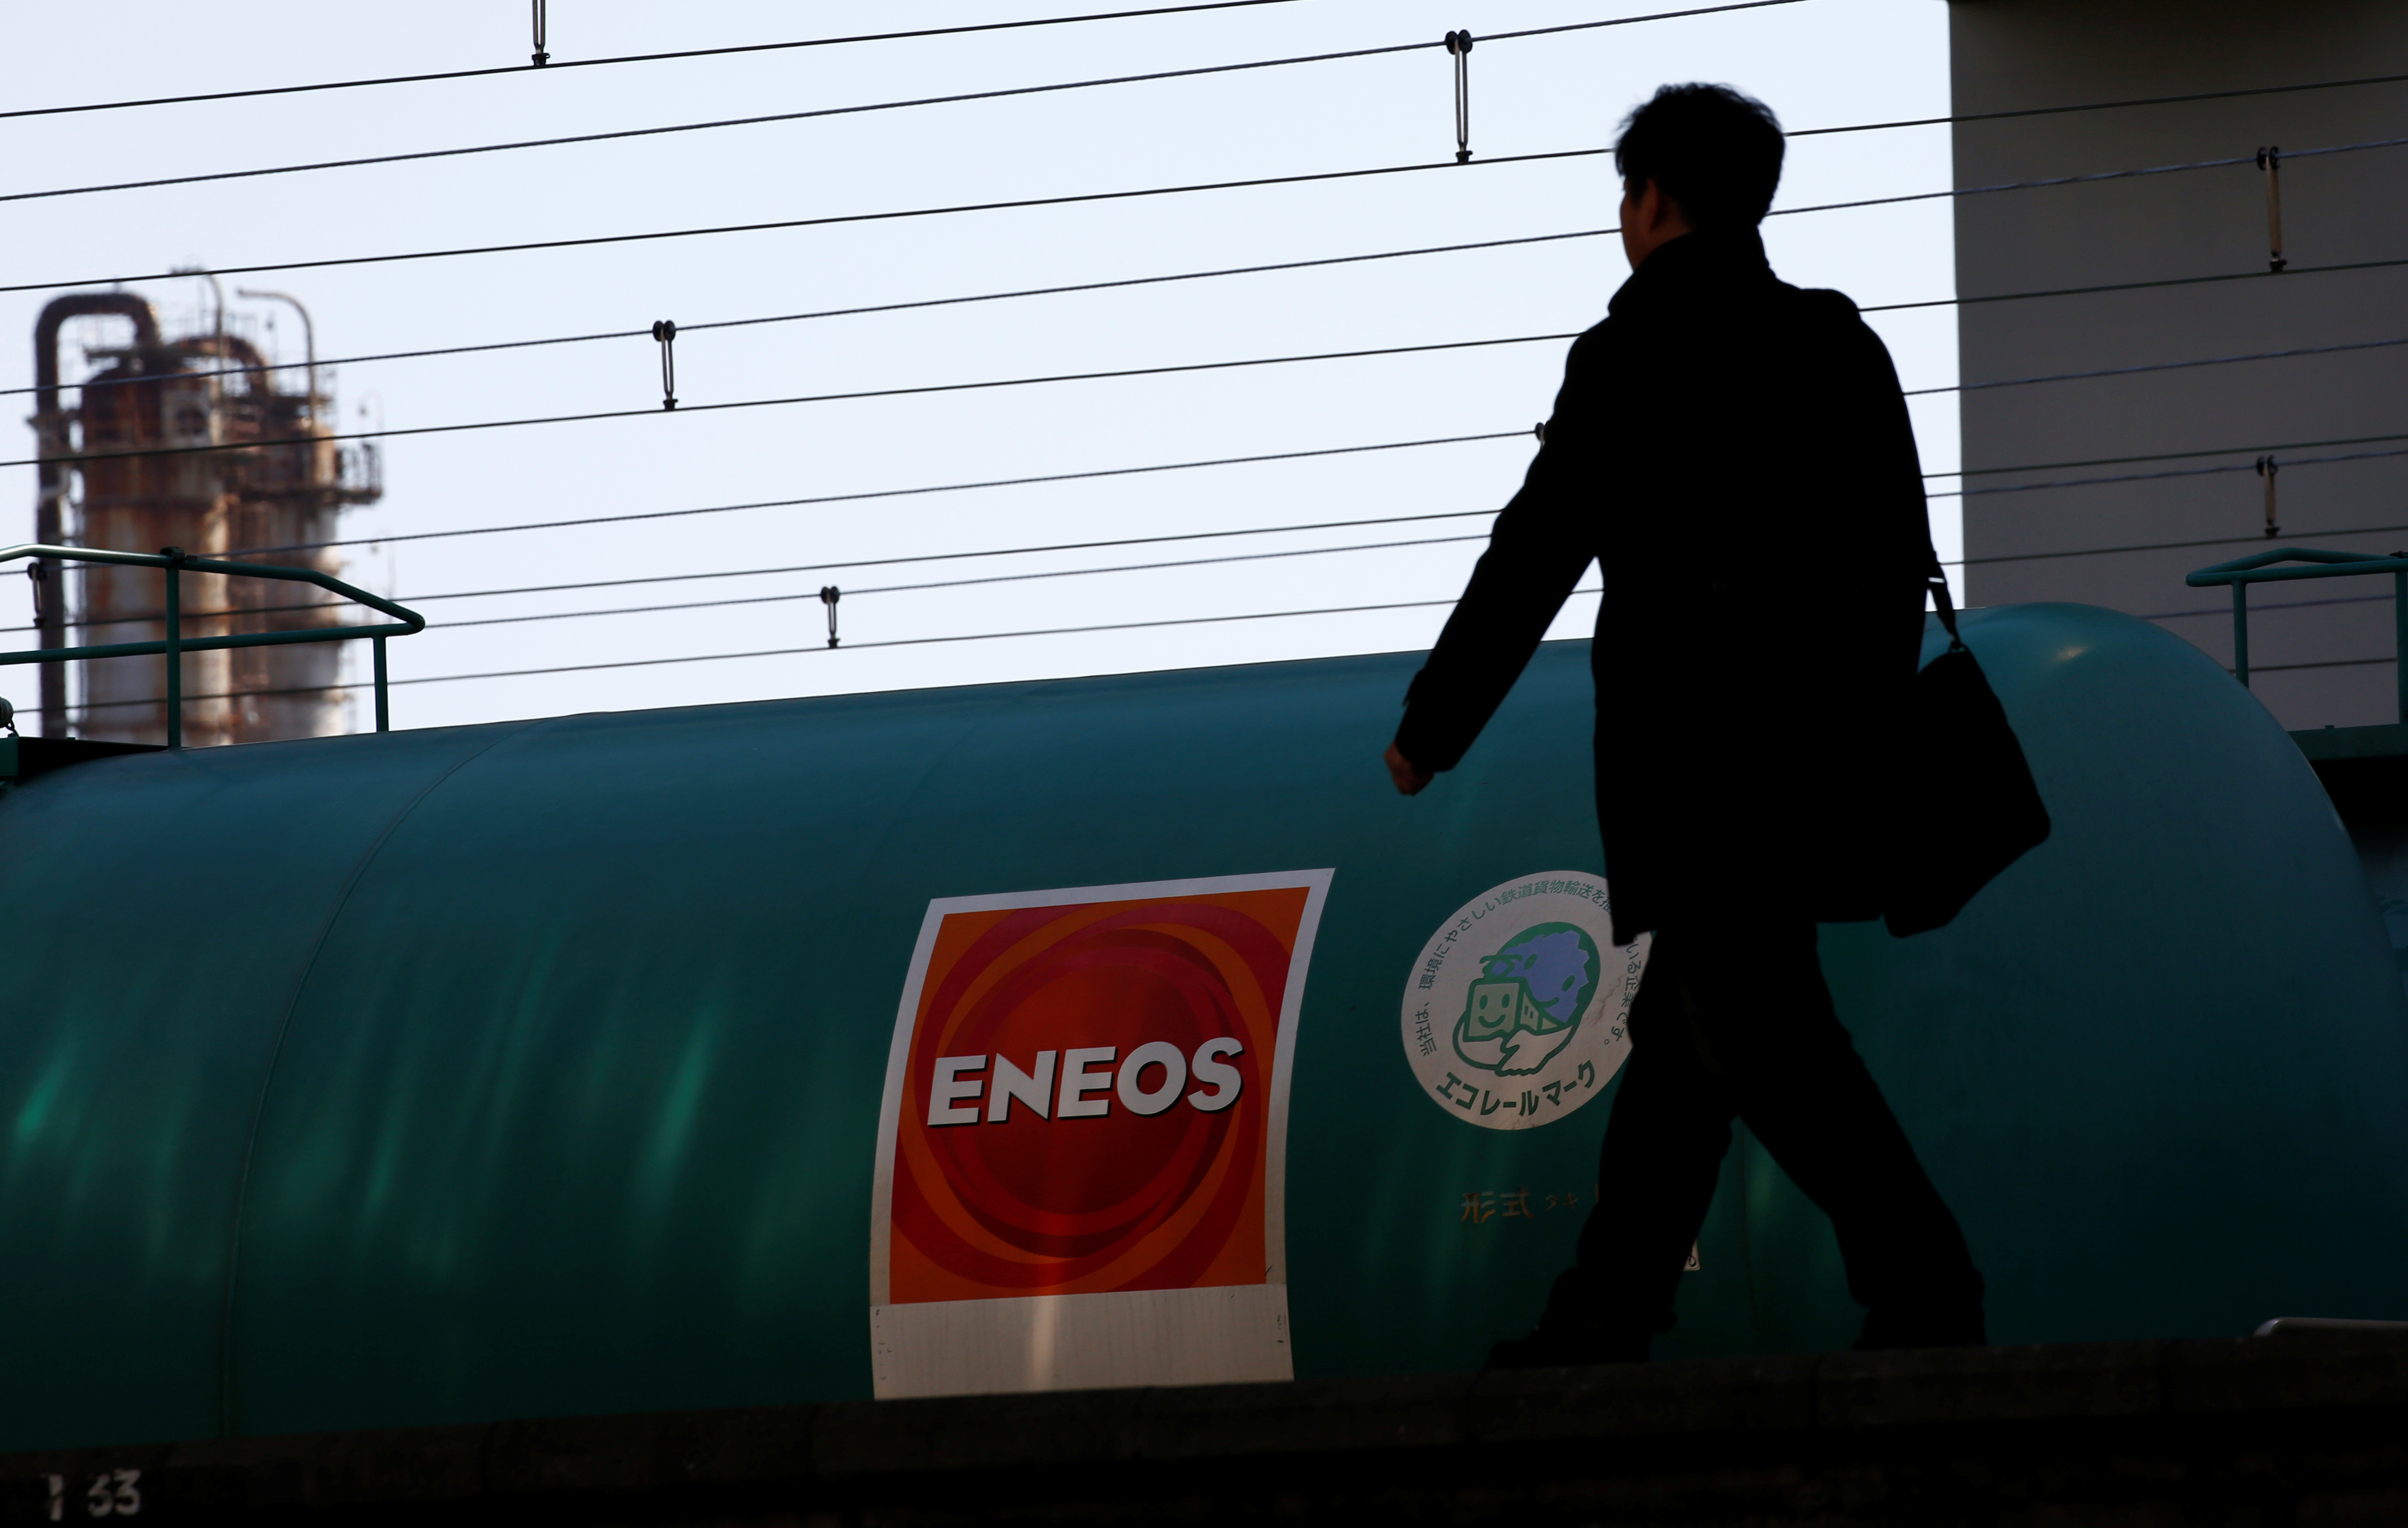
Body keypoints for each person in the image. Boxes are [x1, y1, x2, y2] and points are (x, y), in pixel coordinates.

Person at [1385, 83, 1985, 1364]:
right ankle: (1609, 1303)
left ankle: (1925, 1278)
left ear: (1652, 199)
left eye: (1626, 195)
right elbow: (1898, 554)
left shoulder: (1632, 351)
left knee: (1760, 1033)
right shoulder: (1839, 343)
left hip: (1694, 768)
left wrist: (1433, 725)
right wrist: (1857, 722)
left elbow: (1533, 547)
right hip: (1820, 756)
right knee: (1685, 1040)